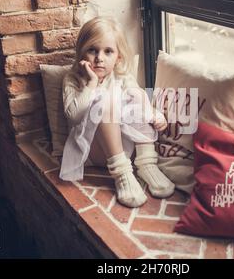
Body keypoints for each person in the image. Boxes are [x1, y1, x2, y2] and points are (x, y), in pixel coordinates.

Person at [59, 16, 175, 208]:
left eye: (108, 51)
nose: (99, 58)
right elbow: (73, 115)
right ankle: (123, 176)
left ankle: (147, 165)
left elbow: (141, 100)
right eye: (92, 50)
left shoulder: (121, 76)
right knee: (104, 102)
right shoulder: (72, 79)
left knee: (136, 96)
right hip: (92, 150)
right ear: (81, 54)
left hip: (125, 148)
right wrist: (92, 84)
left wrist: (155, 114)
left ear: (118, 57)